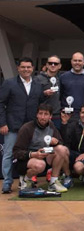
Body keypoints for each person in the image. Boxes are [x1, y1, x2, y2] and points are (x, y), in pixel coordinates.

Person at [0, 57, 44, 194]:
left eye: (29, 67)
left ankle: (24, 180)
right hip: (13, 126)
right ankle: (7, 182)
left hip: (31, 127)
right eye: (23, 67)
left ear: (32, 69)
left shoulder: (37, 85)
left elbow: (40, 105)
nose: (26, 70)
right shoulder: (9, 83)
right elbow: (1, 104)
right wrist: (2, 123)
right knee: (8, 154)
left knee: (29, 155)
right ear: (18, 68)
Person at [13, 103, 70, 193]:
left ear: (50, 116)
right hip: (25, 160)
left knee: (62, 149)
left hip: (44, 157)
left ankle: (53, 182)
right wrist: (33, 154)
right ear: (37, 115)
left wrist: (56, 142)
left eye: (46, 114)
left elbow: (61, 143)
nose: (43, 117)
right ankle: (25, 180)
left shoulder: (51, 126)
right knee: (40, 165)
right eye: (40, 113)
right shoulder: (27, 128)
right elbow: (16, 152)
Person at [60, 103, 84, 182]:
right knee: (62, 150)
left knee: (78, 168)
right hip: (73, 153)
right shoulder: (72, 125)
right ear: (79, 114)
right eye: (82, 112)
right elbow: (65, 140)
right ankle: (68, 176)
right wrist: (64, 123)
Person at [59, 49, 84, 119]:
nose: (77, 63)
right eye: (75, 60)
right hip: (67, 115)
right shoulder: (63, 77)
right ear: (71, 62)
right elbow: (60, 95)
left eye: (80, 61)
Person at [34, 55, 62, 129]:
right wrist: (44, 94)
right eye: (50, 63)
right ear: (46, 65)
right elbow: (33, 96)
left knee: (55, 139)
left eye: (55, 64)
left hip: (56, 116)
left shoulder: (60, 79)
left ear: (59, 66)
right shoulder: (37, 79)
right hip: (42, 116)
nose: (53, 65)